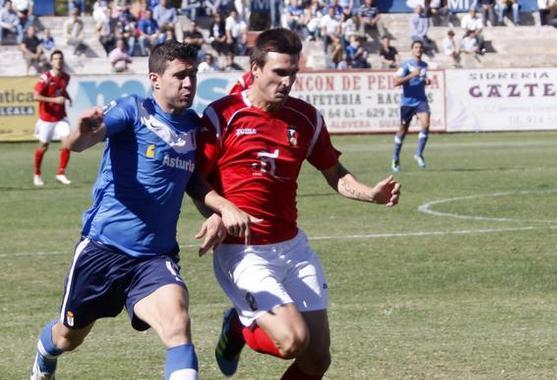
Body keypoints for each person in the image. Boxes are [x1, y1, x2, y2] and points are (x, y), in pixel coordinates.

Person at [186, 28, 400, 379]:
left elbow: (335, 174)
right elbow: (193, 178)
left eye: (293, 73)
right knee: (292, 341)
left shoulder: (306, 119)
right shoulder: (223, 115)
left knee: (317, 359)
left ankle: (244, 324)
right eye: (279, 73)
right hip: (244, 251)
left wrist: (369, 194)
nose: (287, 82)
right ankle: (239, 328)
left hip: (293, 248)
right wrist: (220, 210)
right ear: (255, 69)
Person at [29, 41, 202, 380]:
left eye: (193, 75)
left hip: (154, 258)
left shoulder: (196, 128)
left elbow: (200, 183)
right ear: (155, 78)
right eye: (180, 75)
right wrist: (83, 130)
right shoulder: (132, 109)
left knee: (178, 325)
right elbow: (79, 143)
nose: (188, 83)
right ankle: (44, 357)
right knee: (67, 338)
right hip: (103, 251)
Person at [32, 50, 72, 187]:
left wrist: (68, 97)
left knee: (67, 142)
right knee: (43, 147)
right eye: (55, 59)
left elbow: (62, 90)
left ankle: (61, 173)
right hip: (46, 118)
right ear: (51, 61)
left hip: (60, 117)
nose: (58, 61)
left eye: (60, 58)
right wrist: (54, 100)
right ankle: (37, 174)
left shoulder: (66, 77)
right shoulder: (45, 77)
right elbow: (36, 96)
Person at [392, 40, 431, 172]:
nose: (419, 49)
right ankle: (395, 158)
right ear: (412, 50)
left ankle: (419, 154)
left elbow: (420, 80)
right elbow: (396, 82)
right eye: (416, 47)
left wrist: (425, 81)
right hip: (407, 103)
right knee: (403, 131)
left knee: (425, 124)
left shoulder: (424, 65)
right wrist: (411, 75)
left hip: (421, 100)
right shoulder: (405, 65)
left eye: (421, 47)